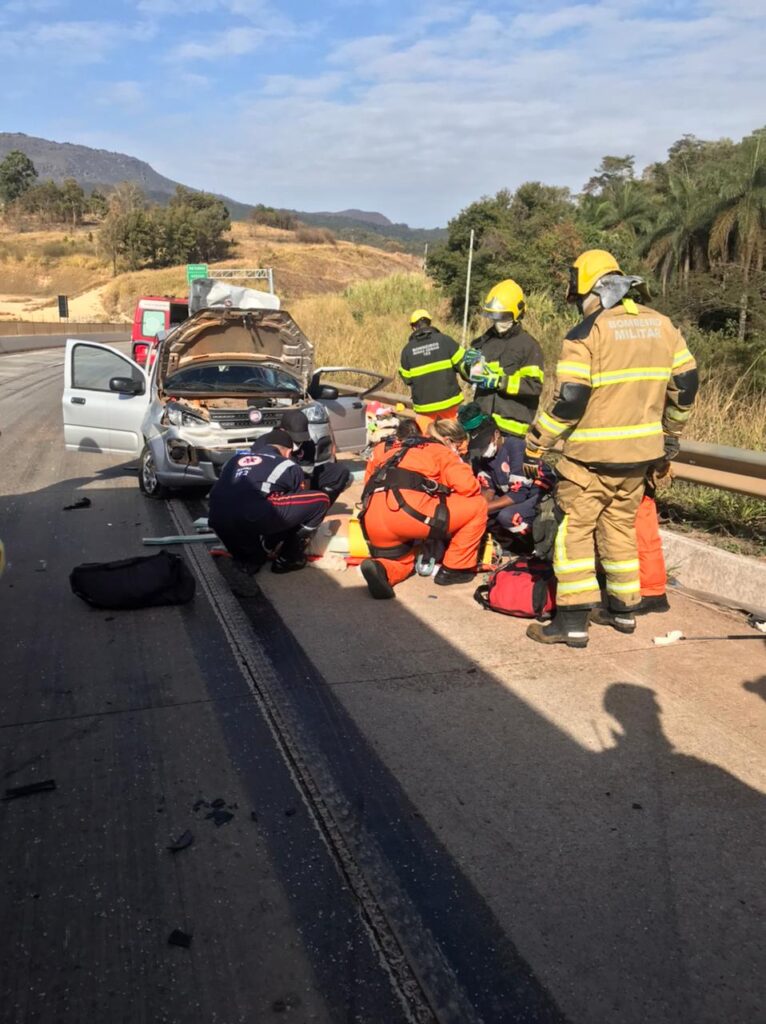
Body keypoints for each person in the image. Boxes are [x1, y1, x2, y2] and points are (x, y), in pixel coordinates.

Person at [523, 249, 698, 647]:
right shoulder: (663, 325)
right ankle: (622, 611)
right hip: (641, 457)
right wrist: (670, 436)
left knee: (574, 532)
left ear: (591, 290)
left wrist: (537, 443)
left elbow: (570, 399)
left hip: (591, 461)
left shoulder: (587, 333)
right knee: (619, 527)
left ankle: (570, 621)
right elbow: (686, 385)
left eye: (578, 297)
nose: (578, 306)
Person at [358, 419, 488, 599]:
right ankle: (456, 568)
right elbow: (469, 488)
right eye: (459, 446)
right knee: (478, 505)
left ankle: (382, 569)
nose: (460, 450)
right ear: (449, 441)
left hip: (372, 519)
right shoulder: (441, 451)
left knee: (401, 559)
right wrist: (460, 464)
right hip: (405, 513)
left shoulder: (396, 448)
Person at [208, 428, 339, 575]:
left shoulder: (234, 459)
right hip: (254, 514)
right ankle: (288, 559)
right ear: (288, 452)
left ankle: (249, 560)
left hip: (217, 518)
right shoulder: (287, 465)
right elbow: (294, 506)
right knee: (320, 501)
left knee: (255, 558)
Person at [459, 402, 553, 552]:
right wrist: (477, 509)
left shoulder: (517, 448)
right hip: (515, 496)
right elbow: (487, 489)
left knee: (508, 516)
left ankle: (535, 546)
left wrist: (482, 508)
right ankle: (511, 546)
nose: (482, 449)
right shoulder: (484, 457)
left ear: (496, 434)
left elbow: (519, 495)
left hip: (540, 497)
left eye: (484, 443)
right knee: (483, 514)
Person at [460, 279, 544, 438]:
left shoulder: (529, 346)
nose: (498, 322)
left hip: (510, 431)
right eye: (495, 317)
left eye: (503, 317)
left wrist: (499, 381)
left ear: (517, 314)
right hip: (481, 425)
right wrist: (467, 367)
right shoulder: (486, 341)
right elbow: (472, 377)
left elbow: (533, 386)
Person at [398, 309, 464, 422]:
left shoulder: (407, 350)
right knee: (453, 436)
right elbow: (464, 365)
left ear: (413, 327)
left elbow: (407, 379)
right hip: (449, 402)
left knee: (427, 438)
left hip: (424, 407)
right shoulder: (445, 340)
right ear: (429, 323)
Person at [280, 409, 351, 504]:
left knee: (342, 473)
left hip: (299, 483)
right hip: (280, 489)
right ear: (282, 431)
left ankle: (317, 512)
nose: (299, 442)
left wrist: (306, 503)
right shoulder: (269, 444)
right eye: (295, 438)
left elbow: (306, 477)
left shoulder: (307, 444)